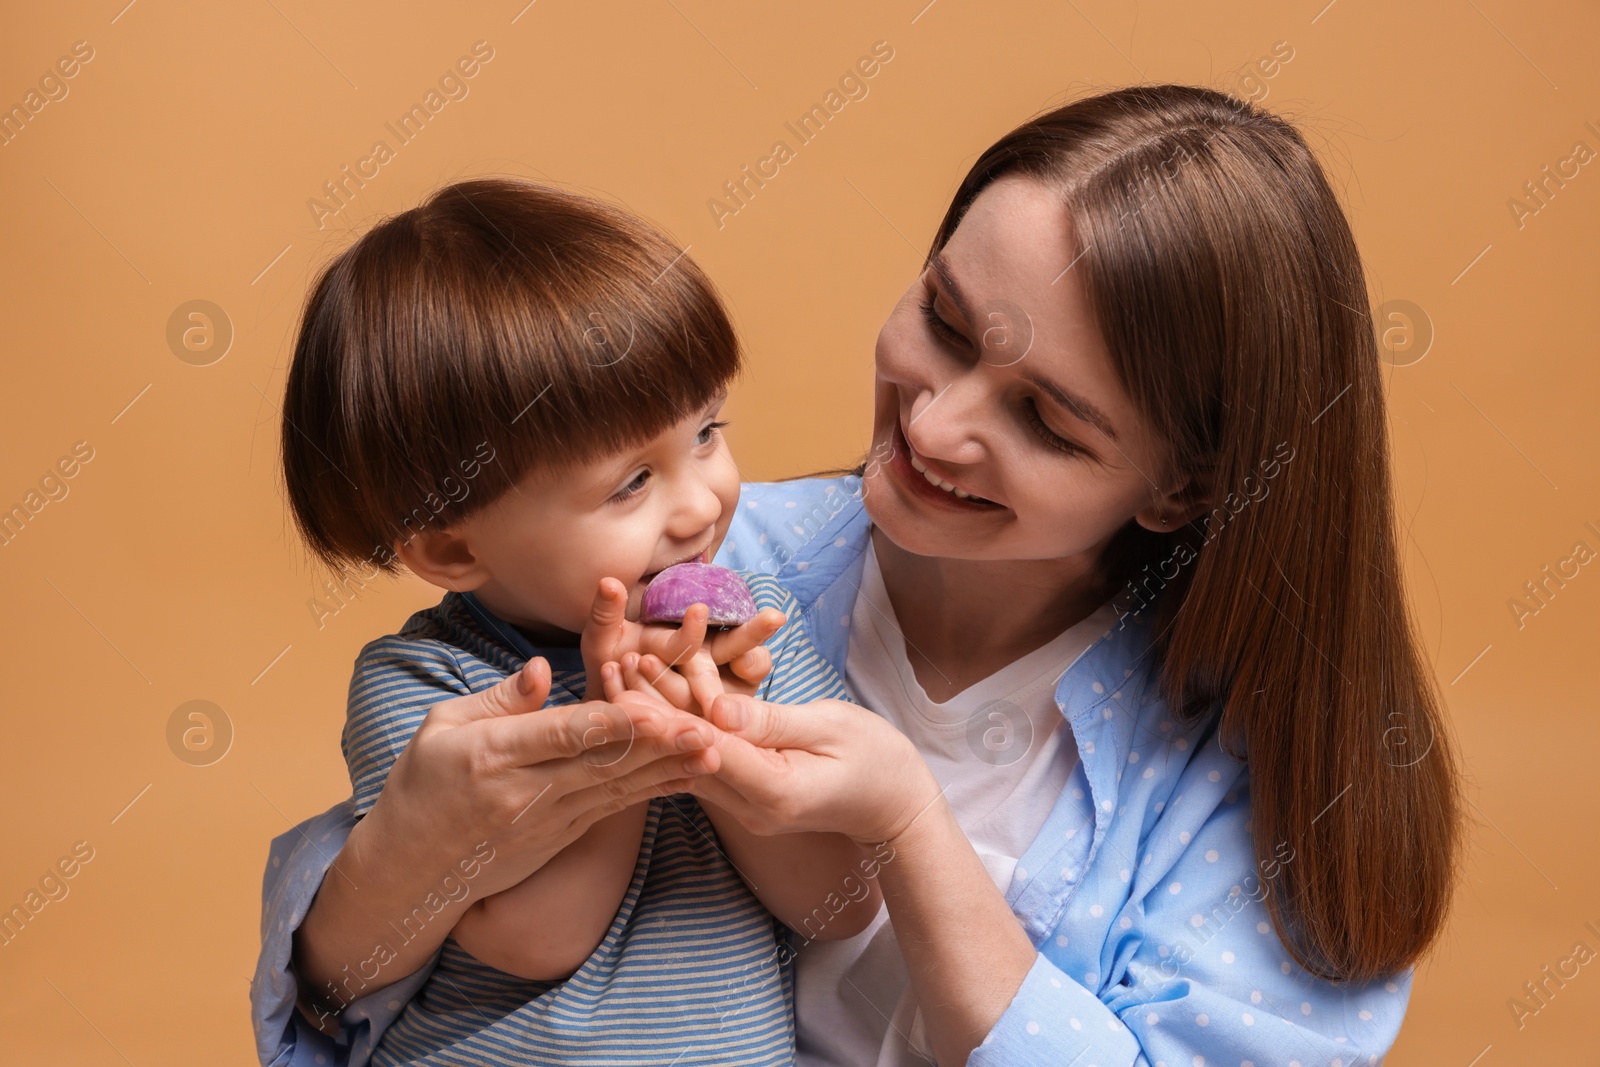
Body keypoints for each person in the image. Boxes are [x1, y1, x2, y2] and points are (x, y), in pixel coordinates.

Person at [253, 84, 1461, 1067]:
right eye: (942, 317)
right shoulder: (712, 572)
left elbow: (832, 895)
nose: (934, 428)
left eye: (1045, 417)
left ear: (1180, 487)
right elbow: (344, 991)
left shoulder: (1253, 760)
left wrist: (905, 823)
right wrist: (399, 863)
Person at [266, 177, 882, 1066]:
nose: (700, 502)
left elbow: (839, 903)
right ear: (452, 551)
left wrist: (718, 730)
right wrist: (627, 730)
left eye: (707, 432)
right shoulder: (435, 691)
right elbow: (533, 937)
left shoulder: (744, 646)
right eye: (631, 482)